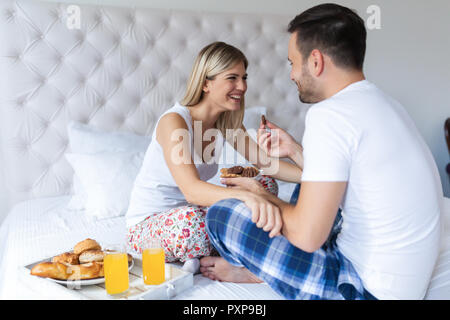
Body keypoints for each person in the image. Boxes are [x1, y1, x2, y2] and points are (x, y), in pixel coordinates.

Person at [200, 4, 442, 300]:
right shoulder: (386, 105)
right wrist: (296, 150)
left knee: (221, 215)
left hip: (360, 289)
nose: (291, 75)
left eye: (293, 63)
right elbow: (346, 180)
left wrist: (259, 195)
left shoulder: (330, 114)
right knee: (308, 187)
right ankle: (259, 270)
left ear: (315, 61)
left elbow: (306, 235)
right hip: (400, 284)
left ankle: (257, 270)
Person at [125, 42, 302, 271]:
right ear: (206, 83)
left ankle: (214, 250)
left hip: (194, 213)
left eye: (244, 77)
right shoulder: (175, 122)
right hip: (150, 226)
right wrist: (246, 197)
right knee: (195, 222)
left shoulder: (225, 124)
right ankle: (233, 249)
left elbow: (268, 165)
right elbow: (192, 190)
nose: (242, 86)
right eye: (232, 78)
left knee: (264, 183)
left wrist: (314, 174)